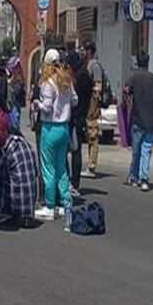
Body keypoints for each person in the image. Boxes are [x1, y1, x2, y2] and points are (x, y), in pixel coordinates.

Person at [34, 49, 77, 222]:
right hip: (64, 127)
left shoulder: (48, 83)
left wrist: (37, 105)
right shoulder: (66, 81)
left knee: (48, 168)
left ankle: (50, 205)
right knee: (61, 168)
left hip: (50, 128)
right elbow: (75, 100)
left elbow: (47, 106)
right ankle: (66, 202)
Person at [0, 124, 39, 229]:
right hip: (30, 206)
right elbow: (36, 171)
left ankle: (5, 211)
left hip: (16, 204)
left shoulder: (5, 147)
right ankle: (24, 213)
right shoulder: (25, 143)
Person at [126, 51, 153, 192]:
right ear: (148, 62)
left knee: (136, 151)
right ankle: (144, 178)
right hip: (151, 121)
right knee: (146, 150)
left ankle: (134, 176)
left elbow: (126, 91)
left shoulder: (133, 77)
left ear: (137, 62)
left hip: (137, 120)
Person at [67, 50, 92, 195]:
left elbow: (75, 99)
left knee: (74, 150)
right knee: (75, 149)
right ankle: (73, 181)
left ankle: (73, 182)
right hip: (80, 116)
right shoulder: (85, 74)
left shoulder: (78, 77)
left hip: (75, 117)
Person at [82, 41, 104, 177]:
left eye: (84, 50)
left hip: (93, 105)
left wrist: (93, 107)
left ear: (89, 51)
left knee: (93, 134)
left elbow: (98, 87)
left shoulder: (94, 66)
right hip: (88, 105)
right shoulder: (88, 64)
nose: (83, 52)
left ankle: (91, 166)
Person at [7, 56, 26, 133]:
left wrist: (9, 85)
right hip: (10, 105)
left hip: (15, 105)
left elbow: (16, 92)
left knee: (14, 125)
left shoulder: (18, 79)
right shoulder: (11, 77)